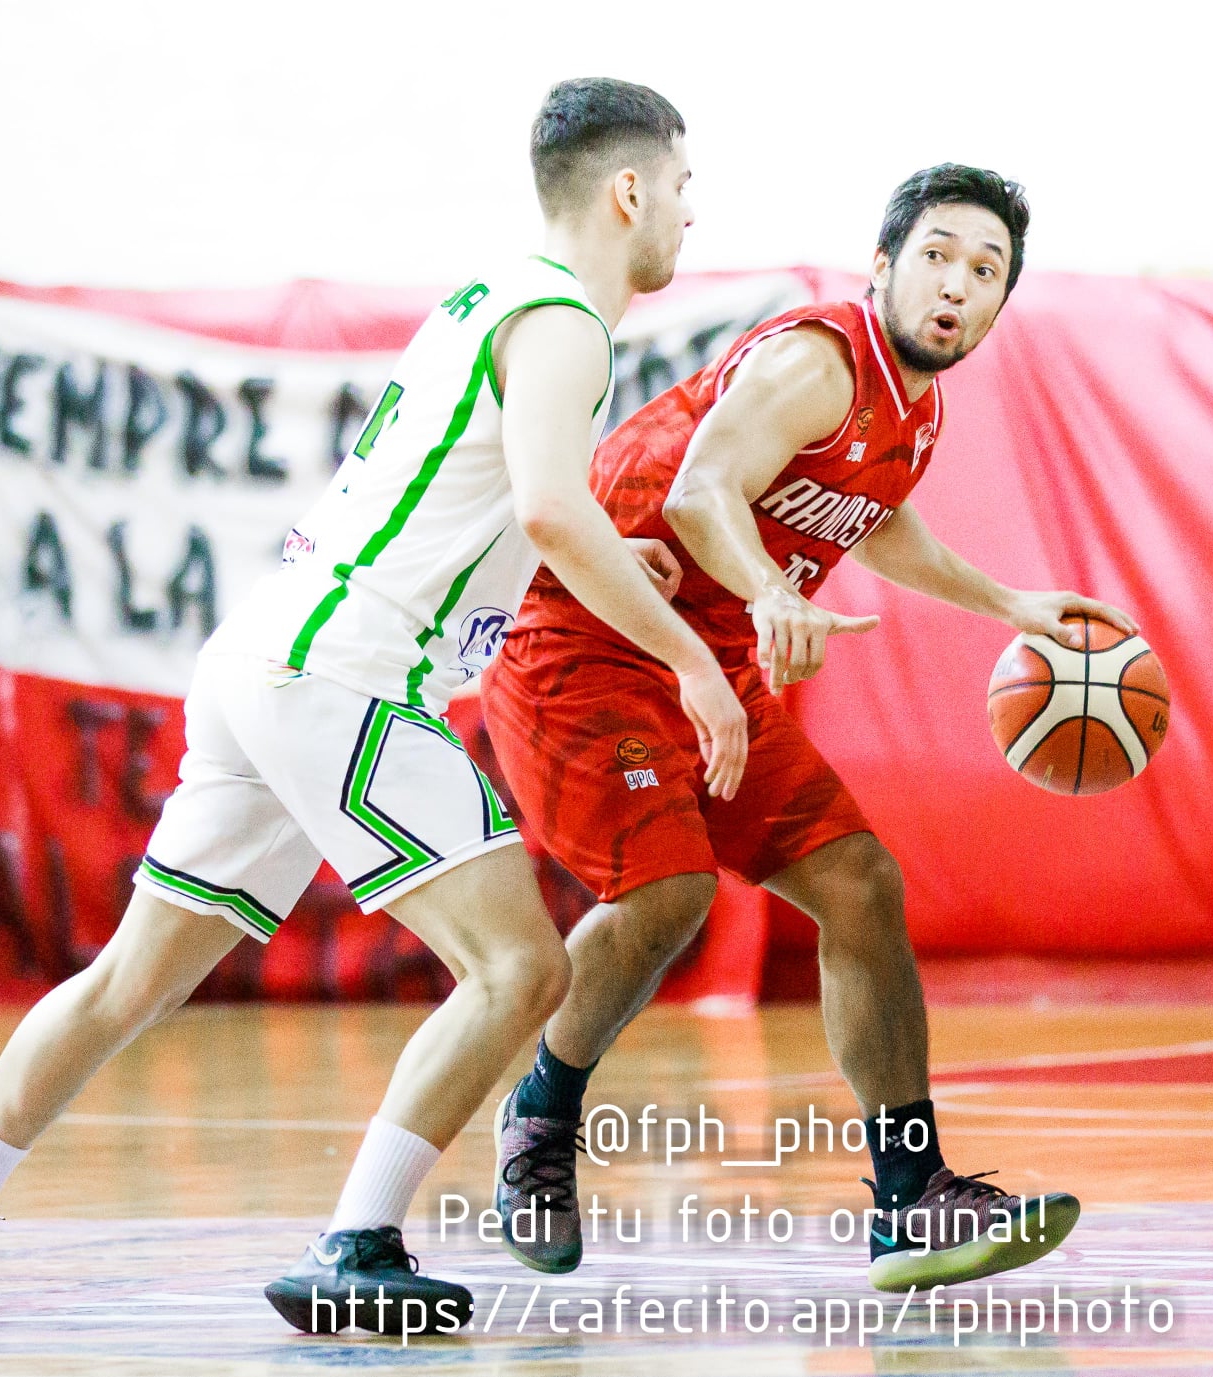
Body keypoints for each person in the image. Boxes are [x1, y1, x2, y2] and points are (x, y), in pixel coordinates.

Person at [0, 77, 748, 1336]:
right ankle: (360, 1242)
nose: (686, 216)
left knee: (131, 979)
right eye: (681, 189)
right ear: (629, 191)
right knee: (519, 964)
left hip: (265, 655)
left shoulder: (484, 298)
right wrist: (694, 662)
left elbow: (498, 505)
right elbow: (548, 503)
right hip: (345, 667)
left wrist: (610, 554)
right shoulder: (566, 321)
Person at [484, 164, 1138, 1292]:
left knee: (860, 886)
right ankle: (538, 1120)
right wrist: (776, 597)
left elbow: (876, 527)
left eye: (985, 271)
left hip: (712, 667)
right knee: (670, 890)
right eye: (936, 256)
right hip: (585, 653)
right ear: (881, 267)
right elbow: (699, 493)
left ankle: (910, 1200)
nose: (956, 285)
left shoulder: (912, 405)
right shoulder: (816, 359)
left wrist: (1013, 606)